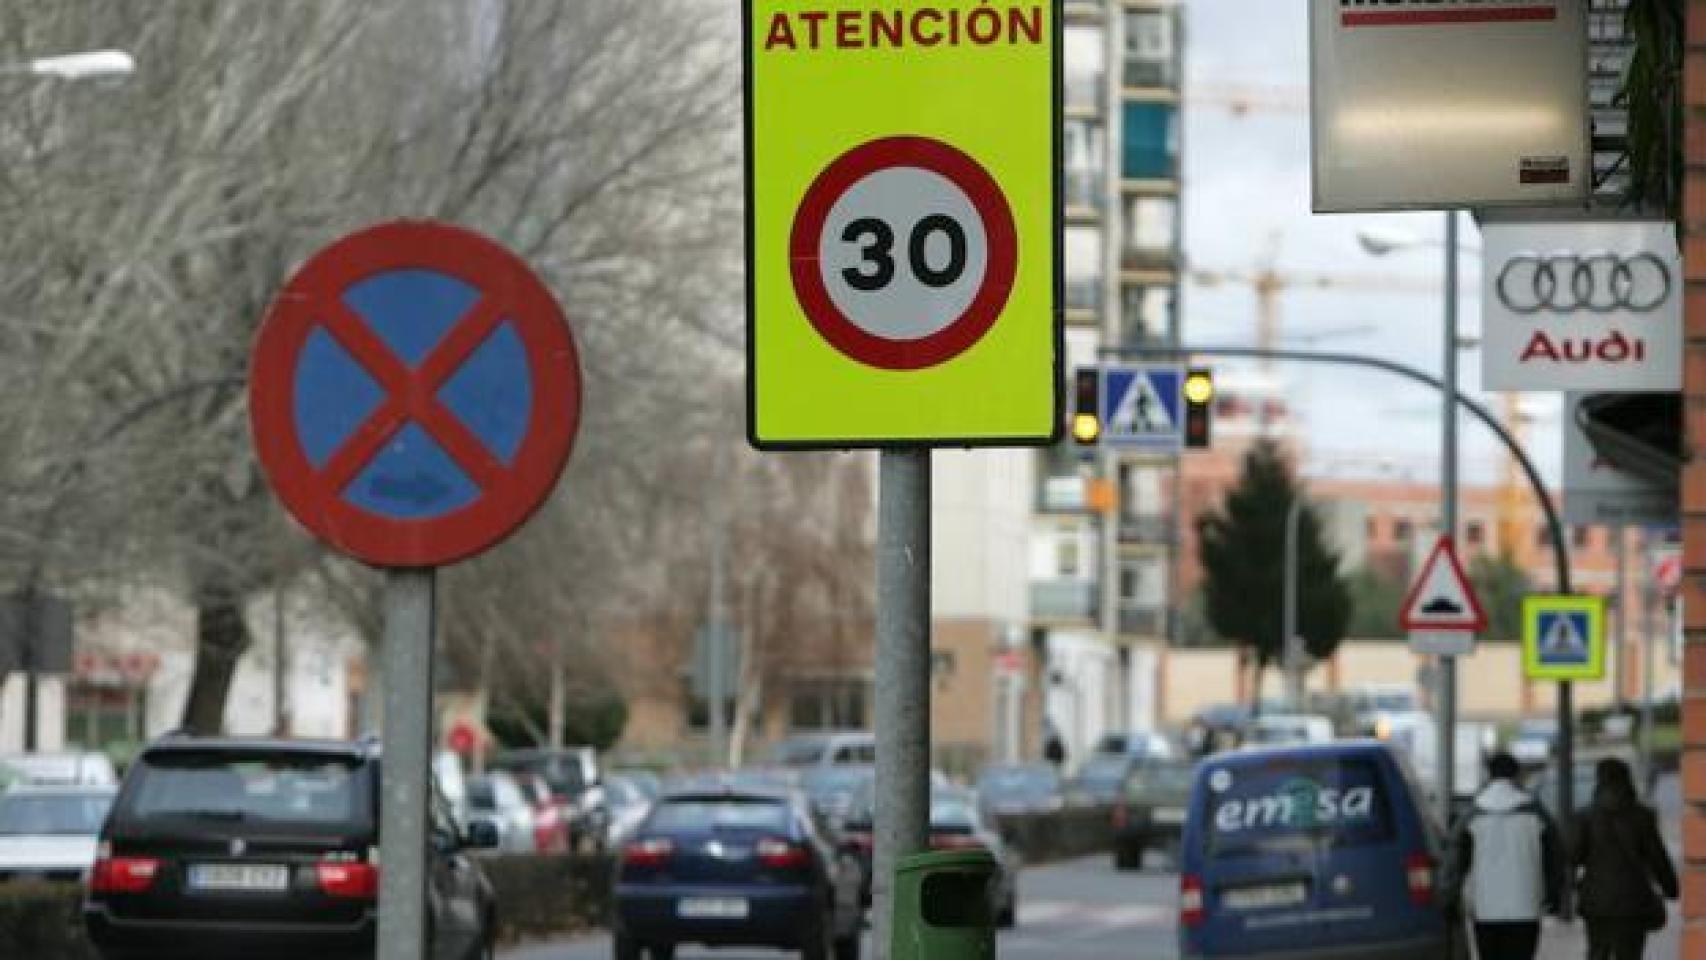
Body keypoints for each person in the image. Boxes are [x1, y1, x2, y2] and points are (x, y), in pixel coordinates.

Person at [1445, 751, 1564, 960]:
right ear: (1517, 775)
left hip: (1485, 909)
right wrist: (1554, 895)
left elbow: (1455, 863)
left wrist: (1450, 899)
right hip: (1526, 906)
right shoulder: (1536, 814)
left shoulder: (1471, 815)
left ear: (1489, 775)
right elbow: (1554, 858)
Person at [1572, 757, 1678, 960]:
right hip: (1633, 900)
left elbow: (1573, 856)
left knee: (1597, 952)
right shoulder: (1642, 816)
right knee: (1630, 954)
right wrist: (1670, 888)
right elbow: (1657, 857)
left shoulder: (1585, 816)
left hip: (1596, 900)